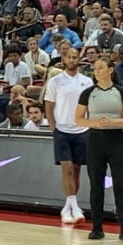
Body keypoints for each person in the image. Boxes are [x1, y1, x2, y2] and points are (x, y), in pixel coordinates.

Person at [74, 56, 123, 242]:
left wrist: (113, 122)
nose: (97, 71)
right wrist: (95, 123)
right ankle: (97, 227)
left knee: (121, 185)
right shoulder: (88, 93)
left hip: (117, 141)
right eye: (95, 68)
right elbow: (78, 119)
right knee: (96, 185)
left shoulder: (121, 91)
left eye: (101, 68)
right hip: (95, 141)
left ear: (110, 70)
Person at [44, 47, 89, 224]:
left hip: (82, 130)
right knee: (67, 168)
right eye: (69, 57)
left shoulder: (87, 81)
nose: (72, 60)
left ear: (78, 59)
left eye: (74, 57)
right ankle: (75, 207)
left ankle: (68, 207)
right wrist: (53, 128)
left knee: (76, 170)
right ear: (64, 59)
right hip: (62, 130)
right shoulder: (55, 81)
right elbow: (49, 106)